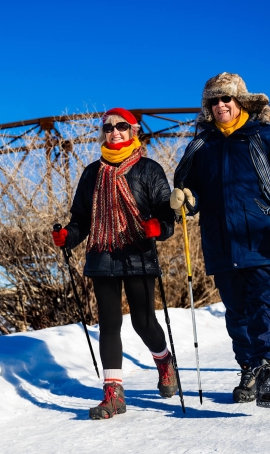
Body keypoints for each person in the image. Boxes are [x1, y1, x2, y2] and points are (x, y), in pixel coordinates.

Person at [170, 73, 270, 409]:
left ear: (240, 101)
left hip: (262, 237)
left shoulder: (265, 136)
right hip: (220, 241)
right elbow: (190, 190)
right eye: (213, 101)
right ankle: (248, 368)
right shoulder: (201, 146)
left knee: (263, 303)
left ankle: (268, 367)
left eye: (225, 99)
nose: (220, 106)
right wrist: (185, 200)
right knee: (236, 312)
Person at [52, 107, 177, 420]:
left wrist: (158, 228)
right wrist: (68, 236)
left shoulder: (149, 169)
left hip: (138, 253)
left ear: (133, 131)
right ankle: (113, 393)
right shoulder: (92, 173)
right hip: (102, 254)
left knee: (143, 322)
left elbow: (167, 214)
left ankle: (164, 362)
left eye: (122, 126)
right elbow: (81, 219)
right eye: (108, 128)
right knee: (109, 324)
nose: (115, 132)